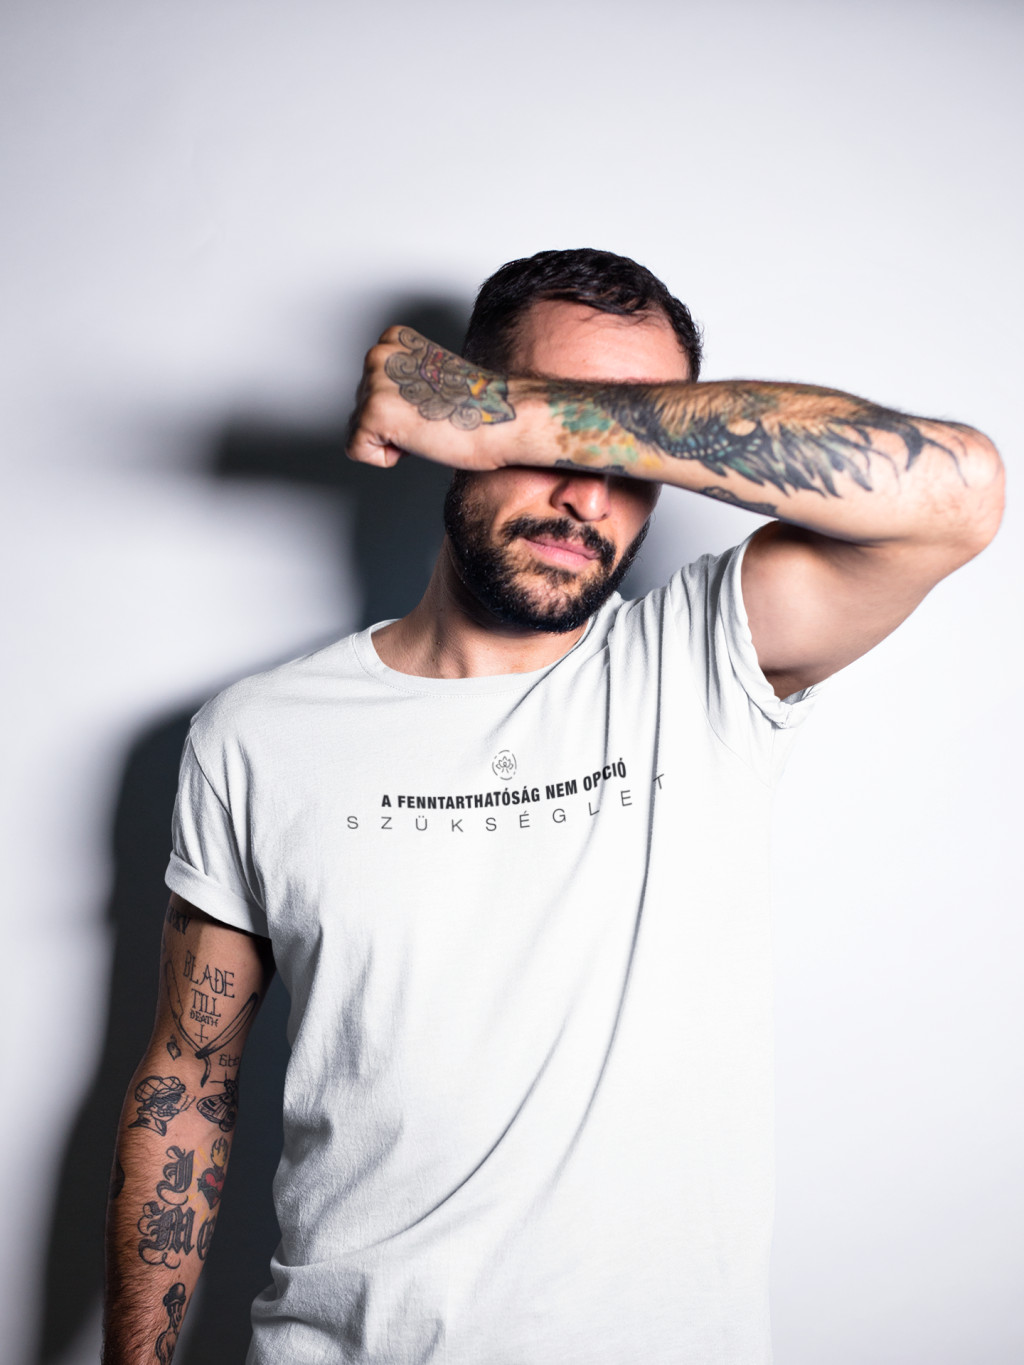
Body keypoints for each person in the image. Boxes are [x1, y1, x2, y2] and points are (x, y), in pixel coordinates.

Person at [103, 248, 1003, 1364]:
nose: (586, 495)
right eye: (547, 440)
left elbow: (959, 490)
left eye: (621, 447)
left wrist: (519, 416)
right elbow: (190, 1081)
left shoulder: (699, 661)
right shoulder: (257, 735)